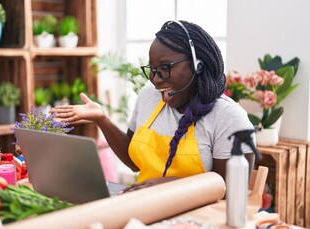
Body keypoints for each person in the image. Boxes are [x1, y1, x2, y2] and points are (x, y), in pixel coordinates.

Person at [50, 20, 255, 192]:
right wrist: (102, 119)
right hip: (146, 208)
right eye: (152, 70)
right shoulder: (149, 96)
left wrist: (165, 186)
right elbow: (133, 162)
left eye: (164, 68)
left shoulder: (228, 117)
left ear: (197, 65)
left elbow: (228, 192)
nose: (155, 80)